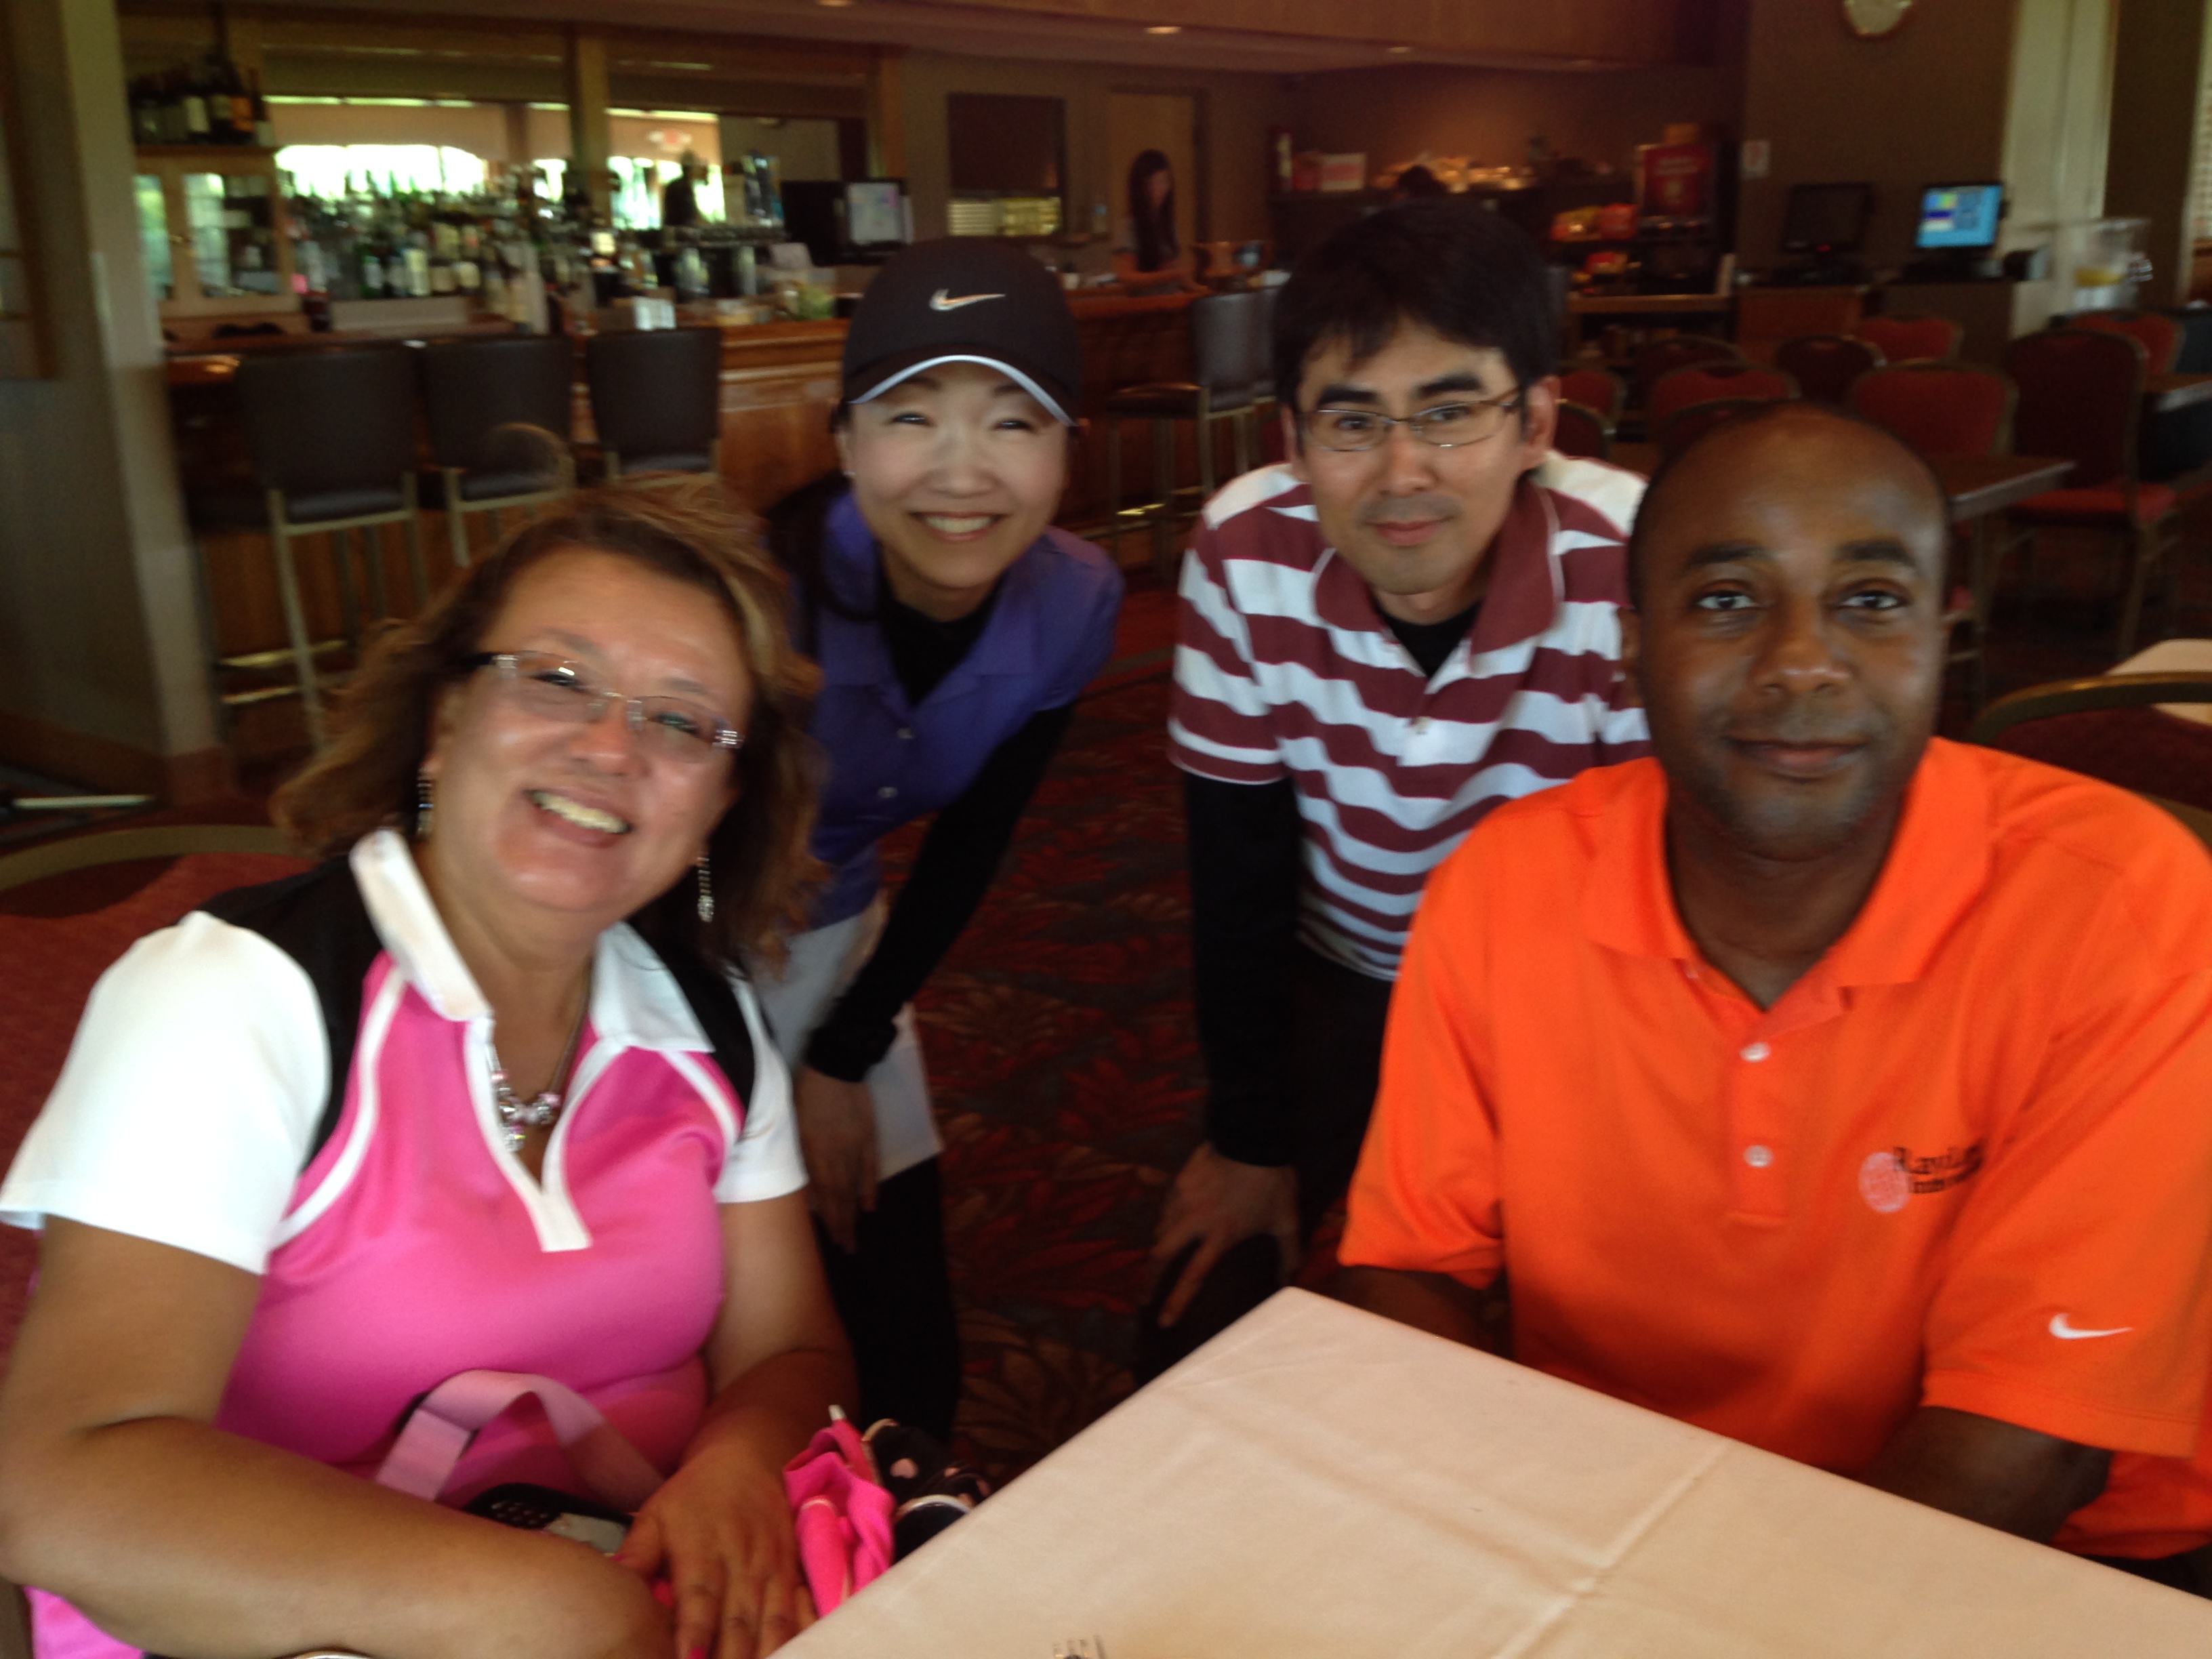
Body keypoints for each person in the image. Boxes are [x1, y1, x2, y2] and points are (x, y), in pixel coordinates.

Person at [1336, 403, 2212, 1579]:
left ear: (1942, 633)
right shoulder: (1503, 884)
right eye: (1725, 600)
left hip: (2044, 1548)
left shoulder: (2122, 908)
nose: (1802, 660)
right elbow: (1407, 1265)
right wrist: (1535, 1543)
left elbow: (2028, 1448)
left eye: (1870, 599)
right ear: (1630, 645)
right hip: (1612, 1497)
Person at [0, 486, 853, 1659]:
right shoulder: (234, 998)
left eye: (680, 721)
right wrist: (570, 1612)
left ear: (717, 807)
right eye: (556, 678)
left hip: (645, 1580)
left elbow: (791, 1351)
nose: (609, 746)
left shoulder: (707, 1019)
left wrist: (736, 1466)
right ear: (445, 719)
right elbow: (62, 1480)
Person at [1144, 199, 1648, 1371]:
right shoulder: (1241, 551)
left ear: (1535, 420)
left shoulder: (1629, 559)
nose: (1401, 472)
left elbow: (1667, 888)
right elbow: (1236, 870)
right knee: (1194, 1335)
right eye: (1352, 420)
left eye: (1450, 413)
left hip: (1568, 1000)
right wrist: (1247, 1136)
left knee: (1598, 1342)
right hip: (1345, 974)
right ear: (1291, 435)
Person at [758, 237, 1122, 1443]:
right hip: (649, 946)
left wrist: (841, 1049)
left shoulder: (1075, 599)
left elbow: (975, 840)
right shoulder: (752, 597)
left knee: (906, 1345)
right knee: (741, 1299)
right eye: (911, 417)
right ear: (845, 440)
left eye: (1013, 422)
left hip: (831, 936)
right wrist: (762, 1083)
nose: (962, 472)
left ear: (1067, 448)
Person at [1113, 148, 1190, 289]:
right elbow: (1125, 276)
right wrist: (1167, 275)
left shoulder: (1166, 224)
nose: (1159, 189)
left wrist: (1200, 290)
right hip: (1146, 300)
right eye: (1152, 183)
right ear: (1141, 186)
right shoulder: (1130, 225)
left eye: (1164, 181)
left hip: (1171, 298)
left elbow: (1178, 274)